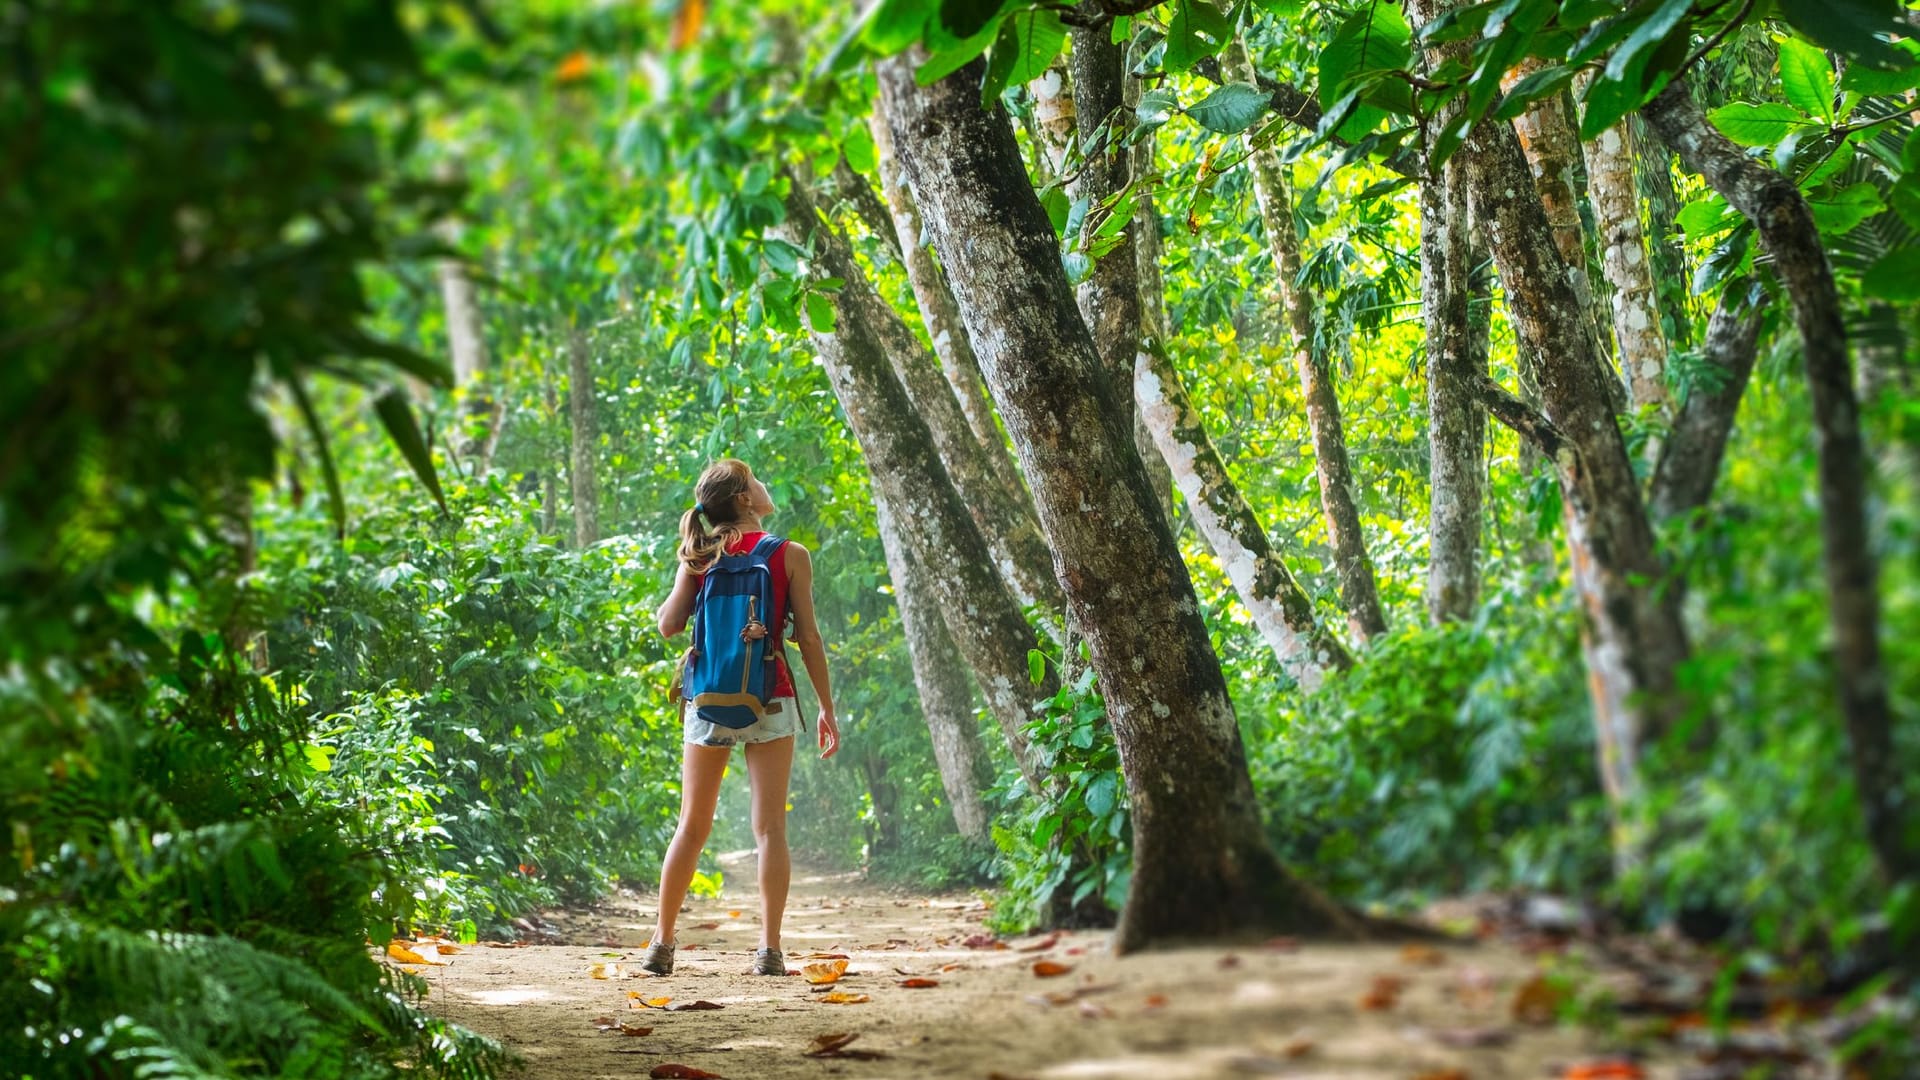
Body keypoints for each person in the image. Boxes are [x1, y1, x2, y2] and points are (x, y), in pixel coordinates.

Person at [641, 459, 840, 977]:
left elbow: (668, 625)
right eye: (755, 480)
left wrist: (690, 562)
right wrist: (825, 707)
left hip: (707, 699)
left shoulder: (701, 555)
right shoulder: (789, 555)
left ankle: (662, 943)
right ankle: (769, 950)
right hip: (770, 696)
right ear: (746, 500)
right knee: (770, 828)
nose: (764, 485)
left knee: (692, 825)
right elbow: (810, 638)